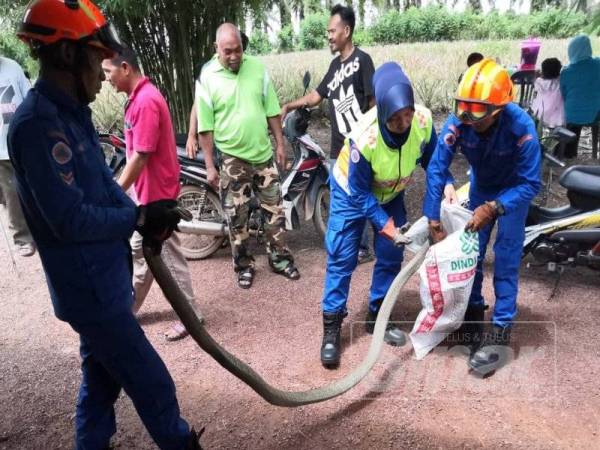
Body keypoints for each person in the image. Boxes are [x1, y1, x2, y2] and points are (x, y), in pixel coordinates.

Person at [8, 1, 203, 448]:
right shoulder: (37, 126)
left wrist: (144, 214)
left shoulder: (72, 114)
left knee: (100, 383)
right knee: (152, 384)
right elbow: (68, 218)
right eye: (97, 59)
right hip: (89, 290)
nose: (103, 72)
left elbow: (105, 186)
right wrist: (135, 217)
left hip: (106, 279)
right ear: (66, 56)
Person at [319, 62, 455, 369]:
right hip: (352, 193)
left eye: (406, 114)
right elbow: (360, 192)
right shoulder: (363, 138)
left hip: (391, 191)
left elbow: (434, 161)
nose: (403, 123)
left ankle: (377, 316)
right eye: (394, 119)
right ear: (381, 112)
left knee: (391, 255)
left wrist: (447, 182)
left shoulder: (421, 120)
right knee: (342, 256)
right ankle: (331, 330)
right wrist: (384, 225)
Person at [424, 58, 541, 376]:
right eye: (464, 108)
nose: (469, 119)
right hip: (481, 186)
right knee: (470, 252)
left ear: (499, 109)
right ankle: (473, 316)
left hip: (513, 190)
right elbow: (436, 167)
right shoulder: (460, 120)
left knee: (505, 258)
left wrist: (495, 207)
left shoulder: (523, 130)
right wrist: (433, 217)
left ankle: (501, 334)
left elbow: (531, 183)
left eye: (478, 112)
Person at [102, 47, 203, 342]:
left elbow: (141, 156)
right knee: (141, 251)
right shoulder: (136, 100)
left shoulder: (146, 101)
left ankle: (191, 315)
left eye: (108, 71)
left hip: (158, 196)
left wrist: (114, 190)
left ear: (125, 68)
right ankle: (129, 309)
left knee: (167, 255)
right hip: (146, 192)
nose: (106, 78)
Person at [196, 23, 299, 289]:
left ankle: (280, 260)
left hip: (262, 155)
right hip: (232, 160)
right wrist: (210, 166)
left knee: (275, 212)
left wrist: (279, 143)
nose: (234, 56)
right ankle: (244, 266)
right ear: (216, 49)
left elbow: (272, 109)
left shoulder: (258, 69)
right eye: (227, 51)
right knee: (237, 218)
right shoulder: (208, 77)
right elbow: (205, 128)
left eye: (238, 50)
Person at [281, 4, 376, 264]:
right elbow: (316, 96)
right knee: (341, 196)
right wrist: (290, 105)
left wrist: (370, 139)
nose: (329, 36)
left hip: (358, 146)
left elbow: (373, 102)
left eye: (332, 31)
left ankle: (363, 249)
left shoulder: (362, 61)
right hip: (337, 148)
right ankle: (347, 246)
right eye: (328, 32)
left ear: (346, 30)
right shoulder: (335, 66)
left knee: (358, 195)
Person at [0, 55, 35, 257]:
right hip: (1, 149)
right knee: (11, 192)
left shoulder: (12, 66)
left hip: (22, 140)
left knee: (34, 186)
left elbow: (28, 96)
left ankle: (42, 226)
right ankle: (22, 237)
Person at [560, 34, 600, 158]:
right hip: (596, 114)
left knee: (572, 121)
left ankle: (569, 152)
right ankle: (594, 153)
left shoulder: (566, 72)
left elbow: (564, 95)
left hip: (572, 115)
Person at [532, 57, 565, 129]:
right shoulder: (560, 82)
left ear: (543, 72)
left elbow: (536, 85)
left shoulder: (539, 81)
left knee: (535, 111)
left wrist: (536, 76)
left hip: (542, 112)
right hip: (556, 113)